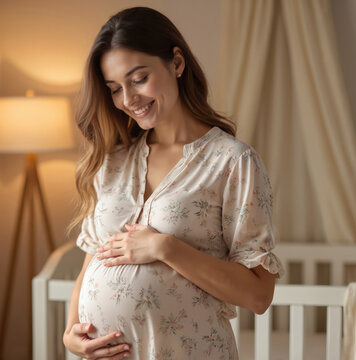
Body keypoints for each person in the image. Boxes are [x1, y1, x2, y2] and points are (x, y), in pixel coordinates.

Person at [63, 7, 284, 360]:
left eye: (137, 79)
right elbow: (94, 258)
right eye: (115, 89)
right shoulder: (113, 160)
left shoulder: (232, 161)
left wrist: (166, 248)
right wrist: (71, 334)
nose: (128, 100)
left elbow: (259, 296)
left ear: (176, 62)